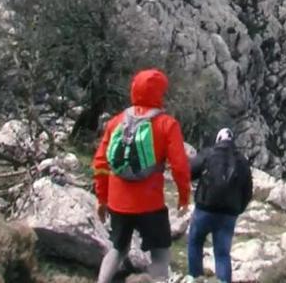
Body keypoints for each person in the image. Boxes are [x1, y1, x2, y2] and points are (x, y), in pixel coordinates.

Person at [93, 68, 191, 282]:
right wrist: (184, 196)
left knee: (118, 249)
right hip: (150, 204)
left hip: (118, 202)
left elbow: (100, 163)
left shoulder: (117, 121)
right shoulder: (167, 124)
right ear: (159, 94)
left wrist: (102, 199)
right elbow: (180, 166)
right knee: (160, 254)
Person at [187, 128, 253, 283]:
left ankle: (195, 278)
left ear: (218, 139)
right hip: (228, 215)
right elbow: (248, 192)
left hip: (205, 209)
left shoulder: (208, 154)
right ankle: (223, 280)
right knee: (222, 253)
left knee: (195, 242)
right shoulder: (242, 161)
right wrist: (237, 210)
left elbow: (189, 172)